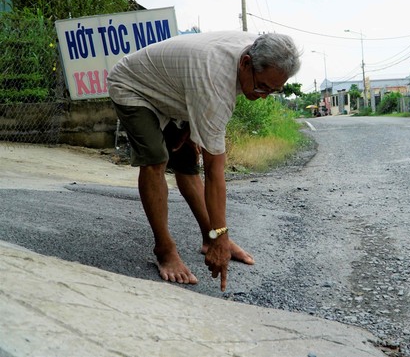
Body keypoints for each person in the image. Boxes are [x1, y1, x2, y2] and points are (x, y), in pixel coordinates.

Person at [107, 31, 301, 291]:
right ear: (245, 63)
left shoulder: (264, 51)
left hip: (177, 93)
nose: (263, 95)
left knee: (187, 161)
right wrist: (223, 234)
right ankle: (164, 249)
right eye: (262, 87)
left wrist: (217, 237)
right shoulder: (215, 81)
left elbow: (196, 94)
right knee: (156, 158)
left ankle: (208, 238)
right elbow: (214, 171)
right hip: (135, 87)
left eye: (273, 90)